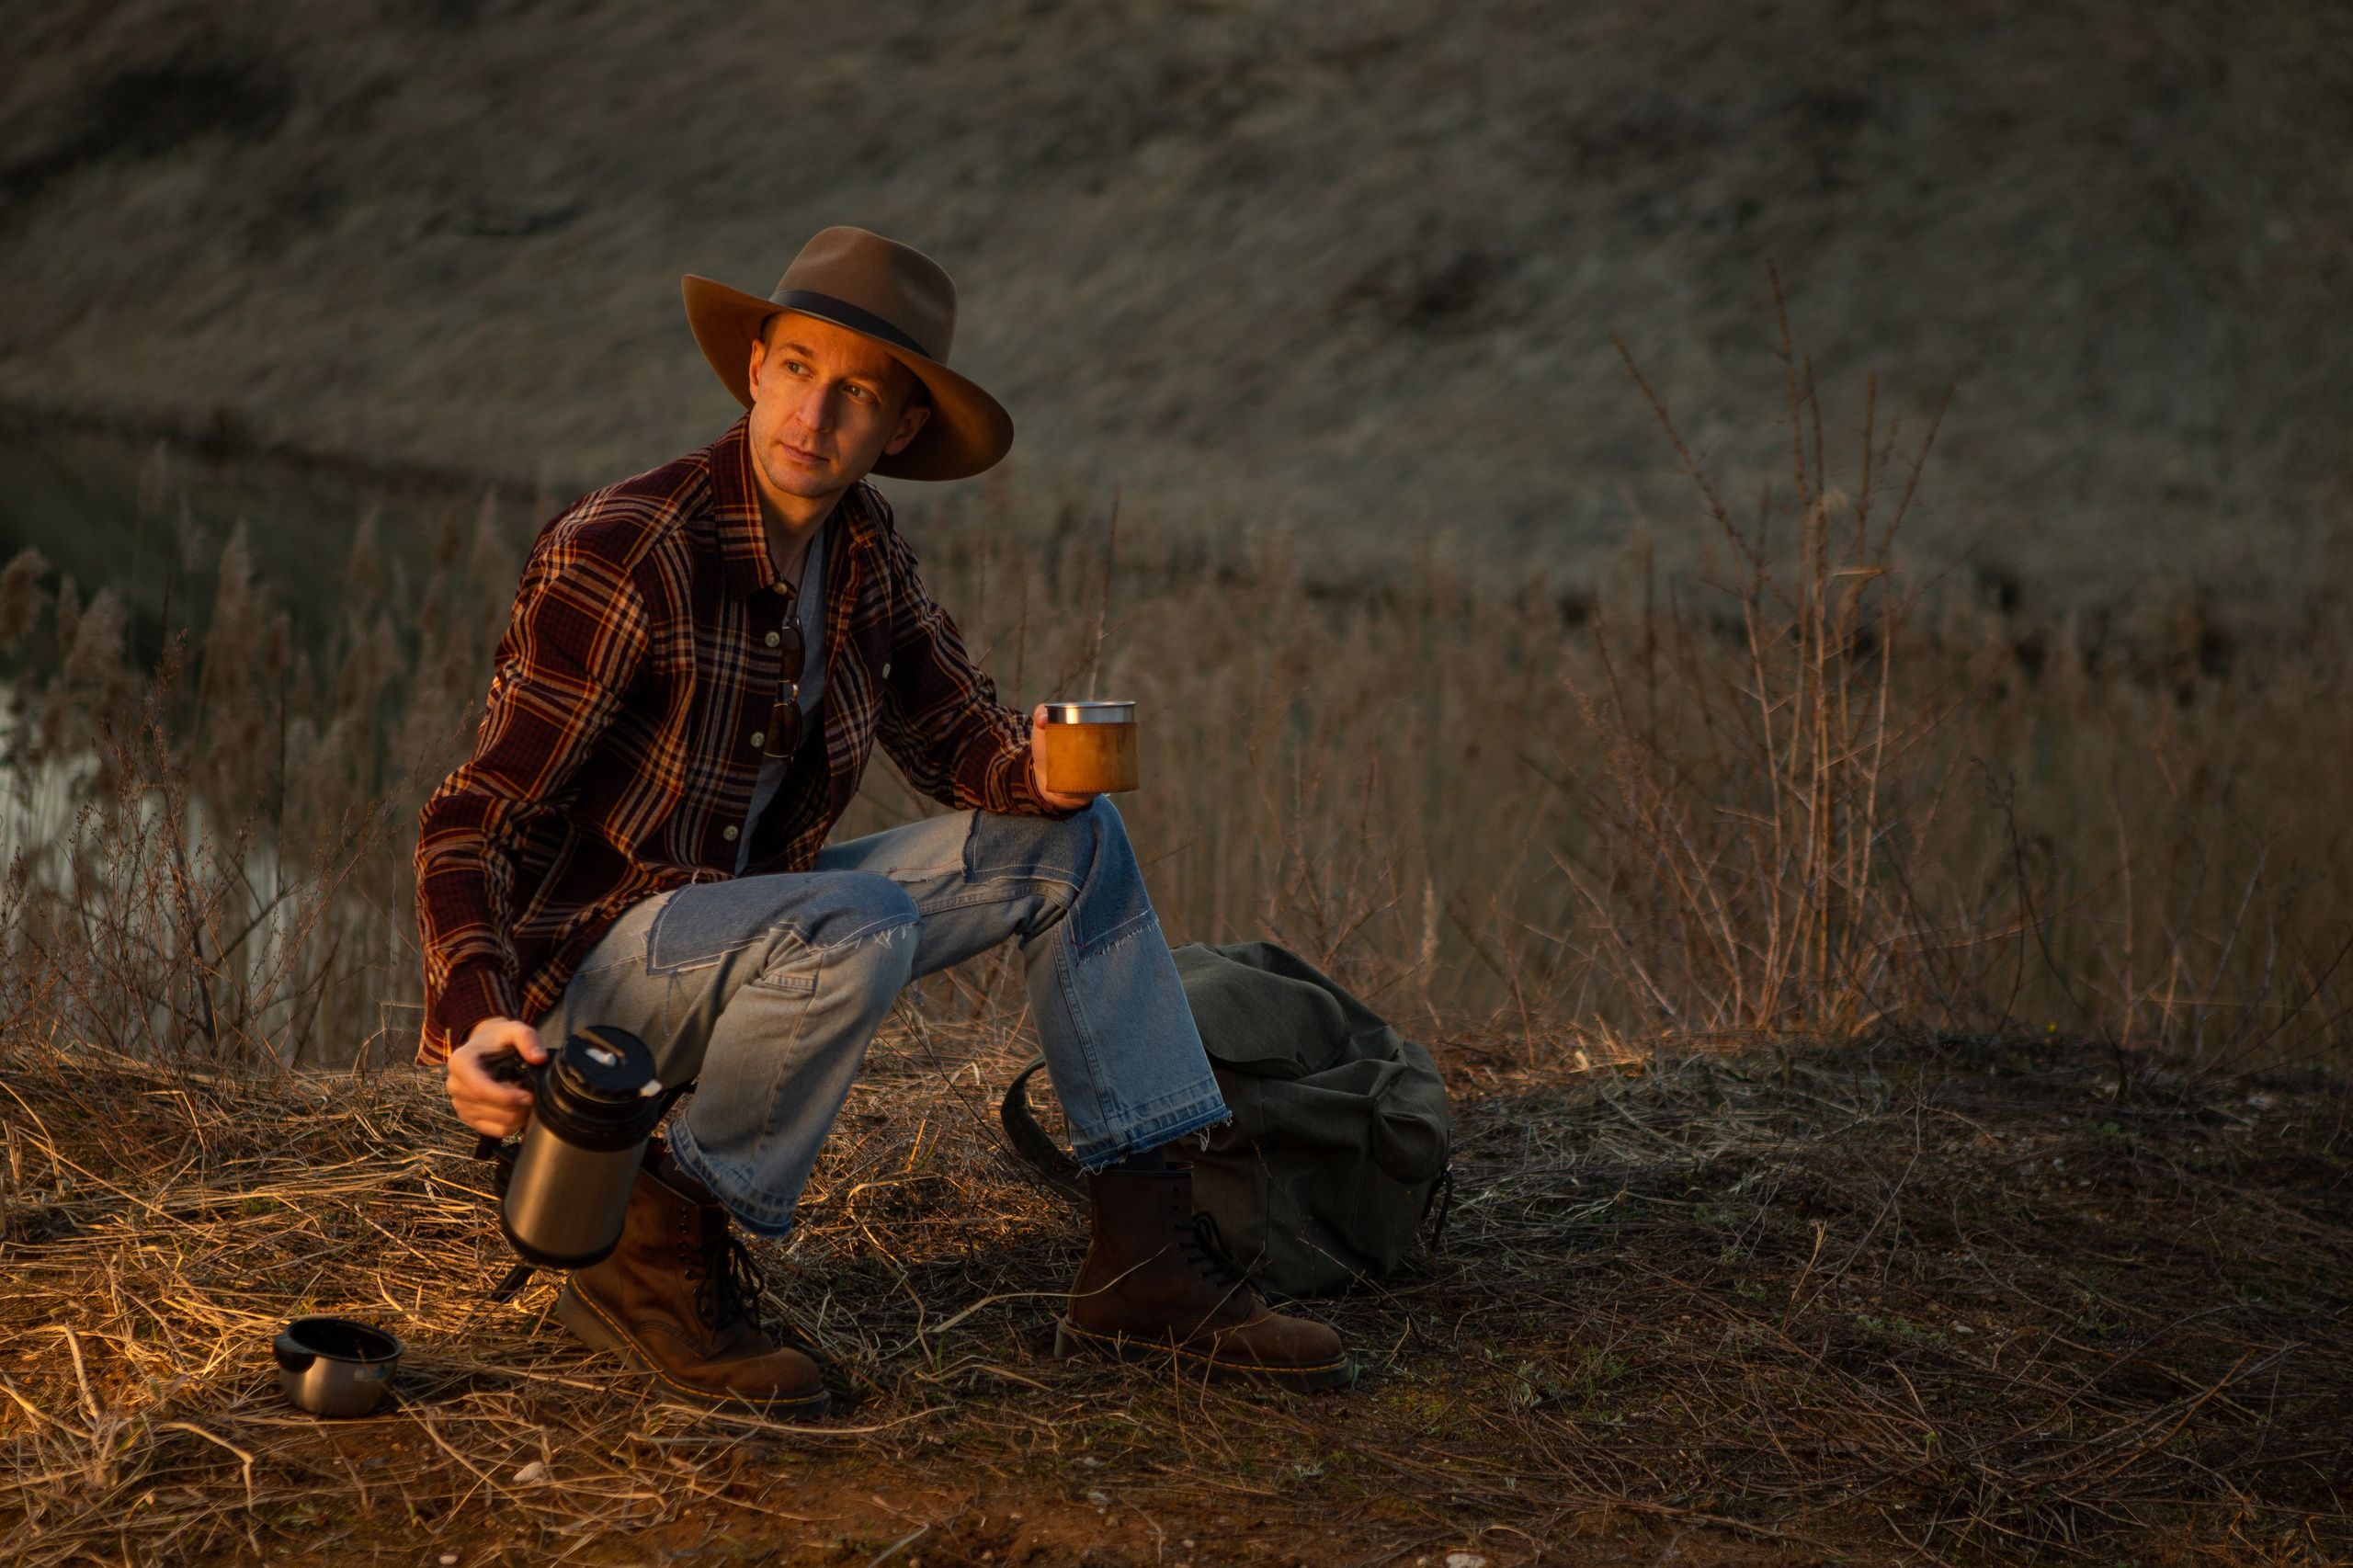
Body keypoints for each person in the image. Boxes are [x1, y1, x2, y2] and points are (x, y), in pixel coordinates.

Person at [416, 227, 1350, 1417]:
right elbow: (472, 817)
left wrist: (1041, 772)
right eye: (801, 367)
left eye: (859, 392)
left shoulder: (863, 552)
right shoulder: (629, 549)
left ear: (900, 429)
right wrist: (471, 1018)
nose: (818, 413)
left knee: (1076, 844)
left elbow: (956, 734)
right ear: (756, 366)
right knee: (855, 921)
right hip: (598, 986)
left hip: (768, 939)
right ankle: (648, 1253)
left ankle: (1144, 1255)